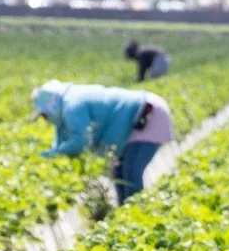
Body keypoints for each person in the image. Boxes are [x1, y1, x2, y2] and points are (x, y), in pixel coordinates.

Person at [30, 78, 173, 203]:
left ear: (50, 106)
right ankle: (126, 213)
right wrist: (53, 151)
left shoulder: (72, 105)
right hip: (140, 119)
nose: (45, 119)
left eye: (44, 115)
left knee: (130, 173)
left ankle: (138, 214)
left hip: (148, 116)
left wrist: (55, 153)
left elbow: (81, 139)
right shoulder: (66, 104)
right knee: (119, 173)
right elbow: (63, 138)